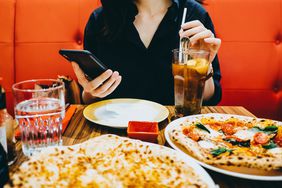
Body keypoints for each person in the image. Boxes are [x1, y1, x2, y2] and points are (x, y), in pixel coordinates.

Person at [72, 0, 222, 105]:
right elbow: (89, 100)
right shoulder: (100, 19)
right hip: (112, 133)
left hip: (175, 128)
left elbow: (209, 99)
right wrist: (91, 91)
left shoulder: (193, 15)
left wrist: (203, 65)